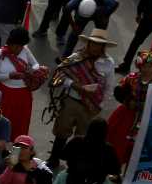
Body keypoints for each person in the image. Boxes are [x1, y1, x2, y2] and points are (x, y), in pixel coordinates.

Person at [49, 28, 116, 169]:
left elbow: (109, 86)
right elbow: (61, 76)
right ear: (89, 43)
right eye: (93, 43)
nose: (95, 47)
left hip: (91, 106)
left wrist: (101, 105)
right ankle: (53, 159)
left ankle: (73, 164)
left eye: (99, 44)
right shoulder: (76, 57)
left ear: (103, 46)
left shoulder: (109, 63)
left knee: (83, 136)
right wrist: (76, 86)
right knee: (62, 131)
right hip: (71, 100)